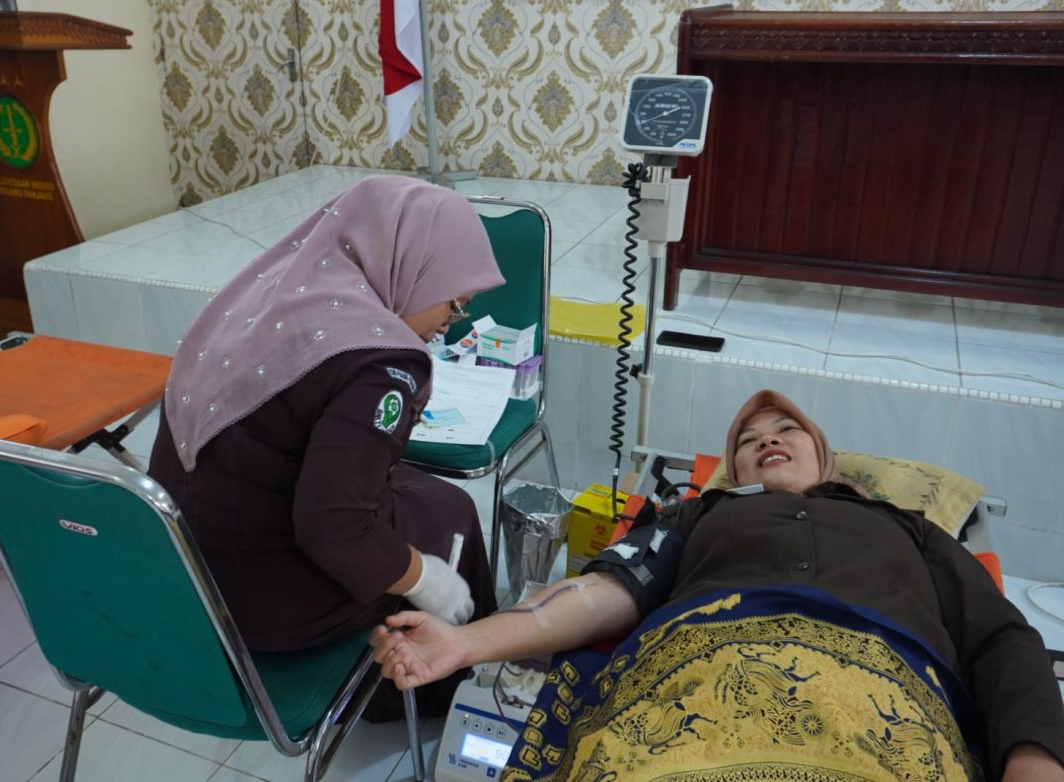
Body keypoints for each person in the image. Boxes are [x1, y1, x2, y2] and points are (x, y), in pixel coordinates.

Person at [370, 389, 1064, 780]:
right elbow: (602, 592)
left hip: (883, 701)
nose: (767, 440)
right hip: (696, 684)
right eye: (748, 440)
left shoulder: (908, 528)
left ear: (825, 457)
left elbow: (1004, 643)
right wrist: (463, 643)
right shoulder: (700, 514)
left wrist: (1034, 767)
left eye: (787, 429)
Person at [148, 175, 505, 718]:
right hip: (263, 602)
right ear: (411, 267)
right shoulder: (381, 363)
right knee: (451, 512)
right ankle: (434, 688)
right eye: (455, 303)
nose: (448, 326)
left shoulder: (266, 299)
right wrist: (426, 578)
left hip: (185, 568)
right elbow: (333, 526)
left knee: (420, 493)